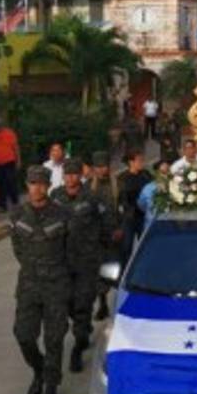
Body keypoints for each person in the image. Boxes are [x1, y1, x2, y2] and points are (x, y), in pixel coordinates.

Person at [9, 166, 71, 394]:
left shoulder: (62, 214)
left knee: (54, 339)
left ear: (48, 186)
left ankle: (51, 389)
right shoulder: (17, 214)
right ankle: (39, 370)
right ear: (27, 185)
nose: (37, 188)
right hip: (29, 286)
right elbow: (17, 248)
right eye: (33, 183)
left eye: (42, 183)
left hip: (56, 285)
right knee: (24, 335)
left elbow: (71, 250)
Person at [51, 159, 110, 373]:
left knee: (83, 303)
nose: (70, 178)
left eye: (74, 174)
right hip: (63, 261)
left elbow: (106, 223)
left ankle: (78, 346)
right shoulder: (55, 196)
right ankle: (82, 328)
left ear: (80, 176)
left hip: (87, 261)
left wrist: (101, 248)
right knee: (67, 303)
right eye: (67, 174)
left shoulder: (92, 197)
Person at [86, 150, 121, 322]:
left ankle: (114, 303)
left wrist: (121, 228)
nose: (101, 170)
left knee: (112, 271)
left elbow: (125, 209)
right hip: (95, 238)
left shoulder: (117, 184)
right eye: (98, 167)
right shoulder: (88, 188)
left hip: (114, 236)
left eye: (104, 166)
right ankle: (103, 304)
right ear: (94, 168)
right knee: (98, 272)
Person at [116, 149, 153, 266]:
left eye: (142, 160)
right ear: (131, 162)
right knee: (126, 247)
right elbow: (122, 198)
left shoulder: (146, 175)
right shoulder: (123, 177)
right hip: (130, 217)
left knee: (146, 245)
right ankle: (124, 272)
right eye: (139, 161)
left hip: (144, 216)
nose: (142, 162)